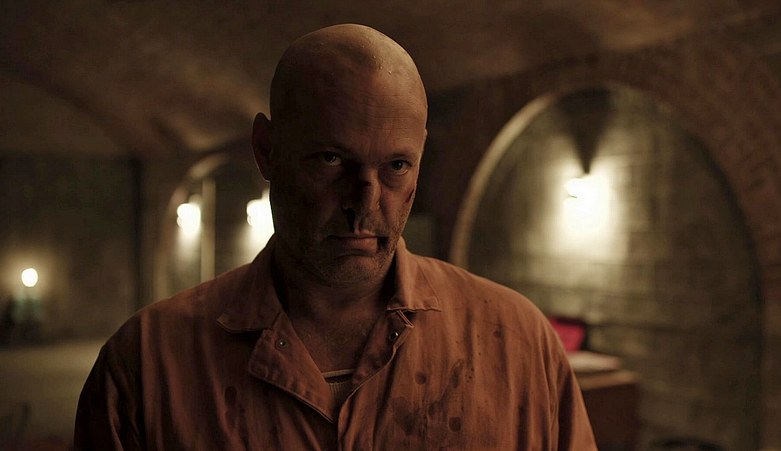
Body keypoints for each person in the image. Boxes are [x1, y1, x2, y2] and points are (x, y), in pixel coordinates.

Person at [74, 24, 597, 450]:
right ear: (266, 150)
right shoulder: (147, 365)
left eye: (396, 166)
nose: (363, 202)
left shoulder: (519, 345)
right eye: (331, 159)